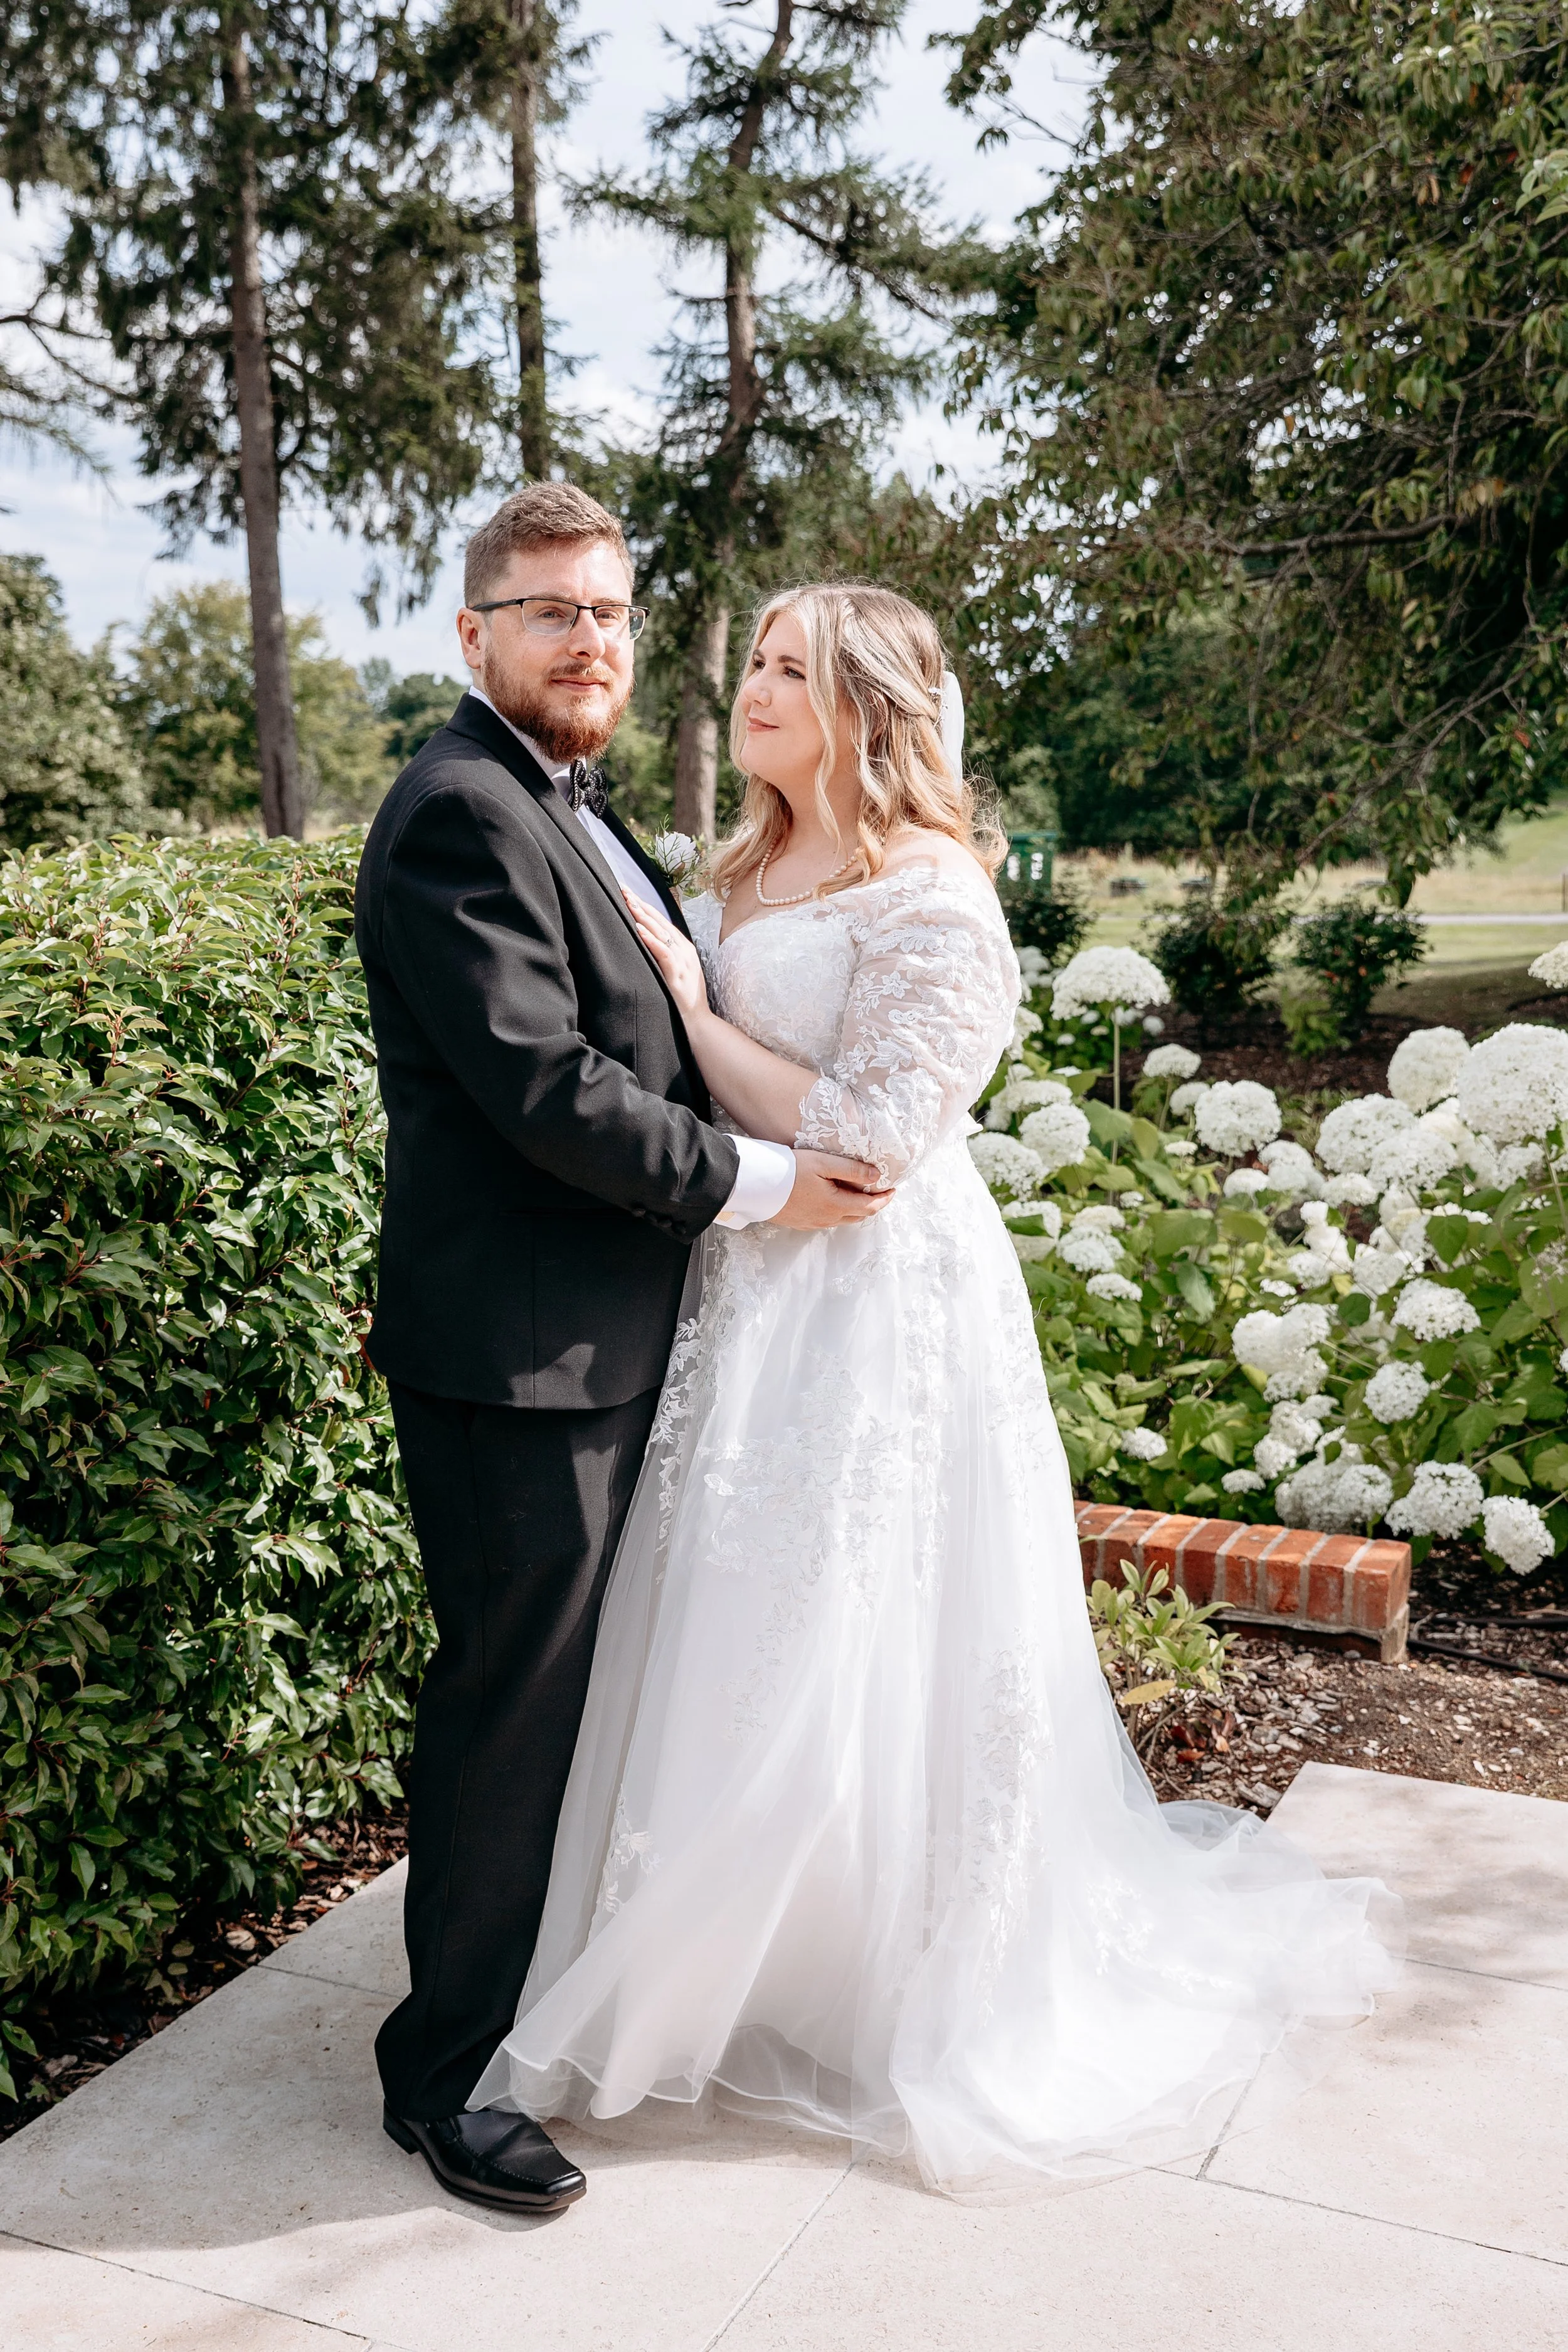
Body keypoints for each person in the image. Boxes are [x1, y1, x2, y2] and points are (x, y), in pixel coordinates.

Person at [466, 579, 1401, 2196]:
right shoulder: (748, 864)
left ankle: (889, 1972)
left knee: (864, 1619)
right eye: (749, 661)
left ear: (863, 704)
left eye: (786, 669)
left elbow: (877, 1140)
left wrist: (696, 1012)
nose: (749, 688)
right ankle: (721, 1953)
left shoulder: (936, 891)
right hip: (746, 1279)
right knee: (734, 1616)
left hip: (875, 1294)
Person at [354, 488, 891, 2217]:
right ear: (472, 634)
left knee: (573, 1711)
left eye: (608, 611)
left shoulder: (564, 806)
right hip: (517, 1356)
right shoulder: (456, 814)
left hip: (606, 1336)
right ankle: (442, 2079)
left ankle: (520, 2010)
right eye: (547, 611)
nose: (588, 640)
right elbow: (547, 1094)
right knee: (510, 1713)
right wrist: (764, 1188)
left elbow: (657, 1026)